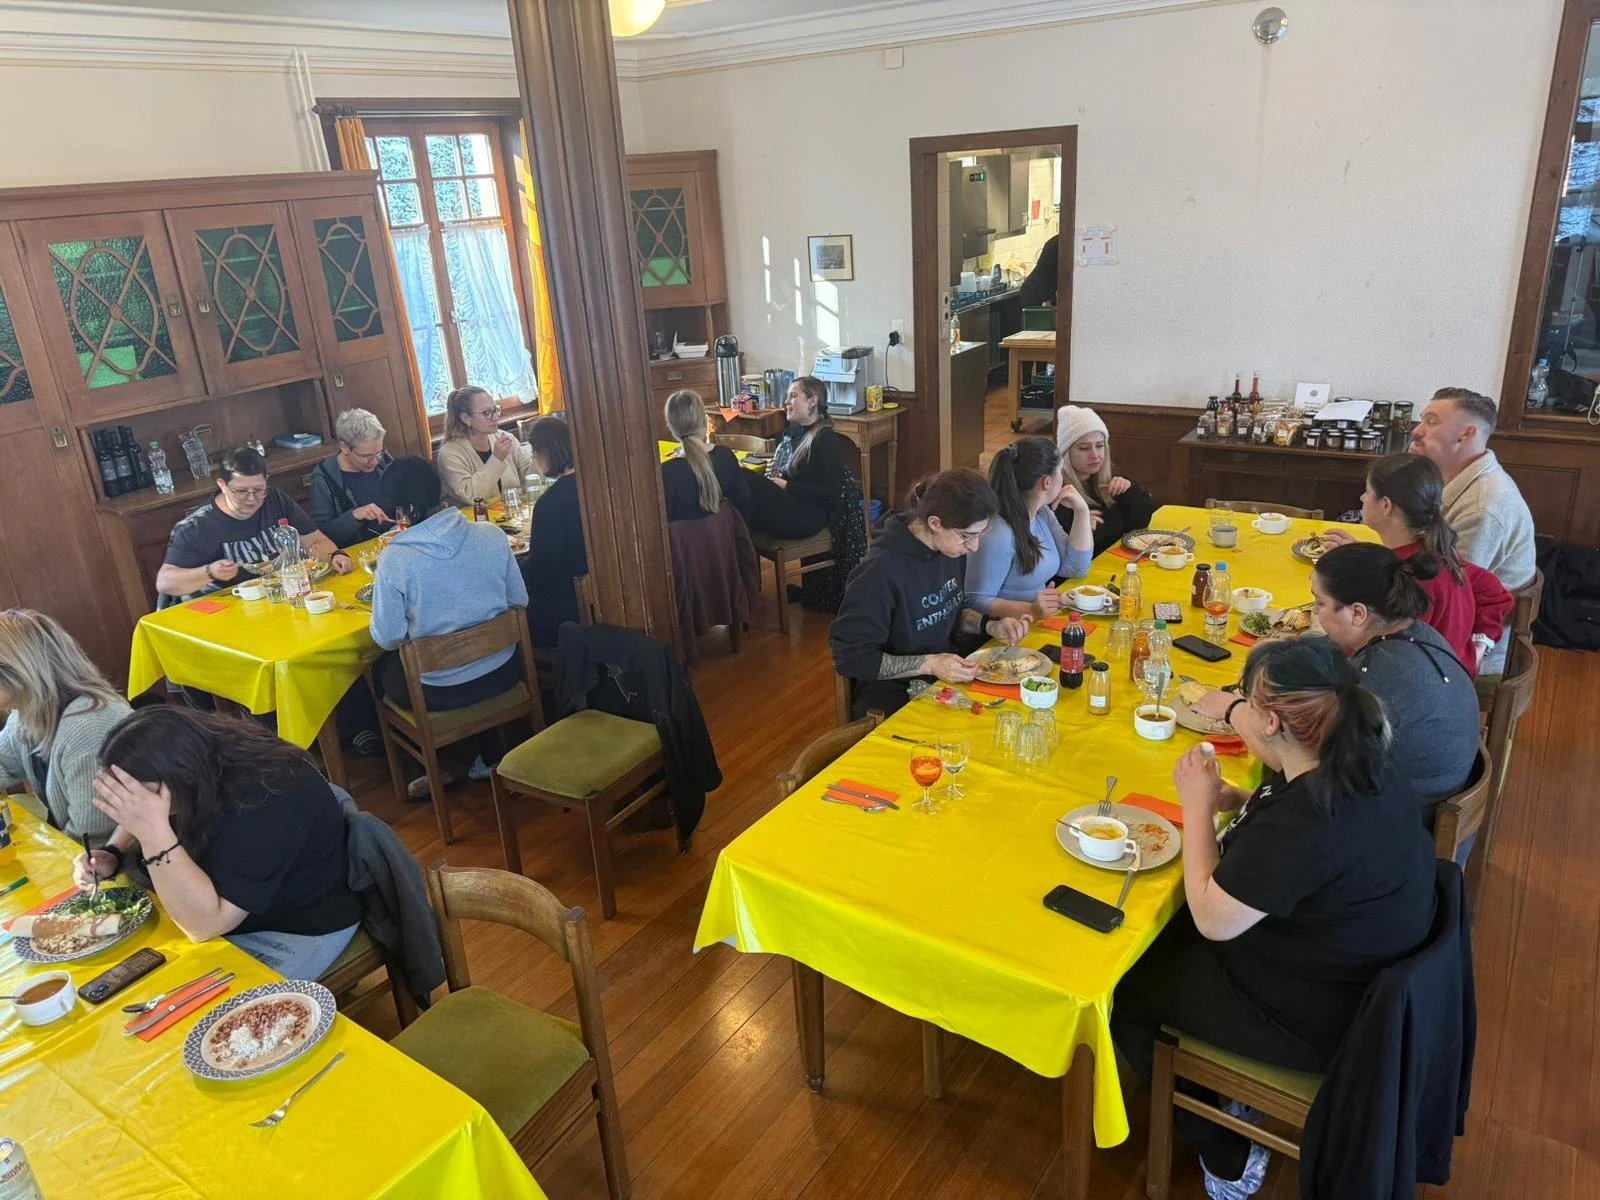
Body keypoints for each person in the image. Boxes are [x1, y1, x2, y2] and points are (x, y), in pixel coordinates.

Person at [1112, 637, 1436, 1200]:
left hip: (1317, 1017)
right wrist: (1236, 800)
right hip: (1348, 969)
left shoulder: (1309, 822)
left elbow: (1213, 917)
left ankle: (1225, 1150)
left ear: (1269, 723)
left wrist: (1193, 803)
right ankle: (1217, 1092)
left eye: (1246, 701)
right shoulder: (1353, 762)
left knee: (1123, 980)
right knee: (1158, 935)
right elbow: (1288, 840)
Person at [74, 707, 363, 979]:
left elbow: (204, 925)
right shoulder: (202, 757)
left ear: (178, 775)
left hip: (295, 927)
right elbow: (137, 811)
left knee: (186, 1012)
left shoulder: (268, 797)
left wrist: (152, 833)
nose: (131, 808)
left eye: (136, 798)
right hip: (228, 911)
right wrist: (113, 851)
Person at [374, 456, 529, 796]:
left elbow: (387, 637)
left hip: (443, 692)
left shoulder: (395, 558)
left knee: (382, 671)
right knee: (463, 655)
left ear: (401, 512)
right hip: (504, 670)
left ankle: (434, 767)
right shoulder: (490, 534)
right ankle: (488, 755)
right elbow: (520, 601)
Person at [830, 469, 1030, 720]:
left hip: (946, 672)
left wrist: (989, 626)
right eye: (967, 536)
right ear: (934, 523)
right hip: (895, 691)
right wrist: (930, 664)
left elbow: (947, 611)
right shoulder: (879, 572)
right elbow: (851, 658)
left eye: (981, 533)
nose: (974, 547)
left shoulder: (950, 550)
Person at [1315, 453, 1512, 674]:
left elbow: (1373, 651)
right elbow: (1496, 593)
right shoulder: (1437, 551)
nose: (1362, 498)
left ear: (1386, 505)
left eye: (1368, 492)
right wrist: (1476, 650)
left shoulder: (1400, 579)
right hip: (1449, 674)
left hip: (1416, 687)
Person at [1410, 387, 1535, 672]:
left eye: (1431, 422)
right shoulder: (1452, 476)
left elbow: (1448, 597)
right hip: (1444, 615)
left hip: (1470, 646)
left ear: (1465, 434)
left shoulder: (1483, 507)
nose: (1417, 430)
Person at [157, 446, 352, 605]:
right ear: (222, 485)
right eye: (241, 491)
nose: (252, 499)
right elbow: (165, 582)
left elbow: (314, 540)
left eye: (259, 490)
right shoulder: (198, 525)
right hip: (230, 611)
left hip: (279, 599)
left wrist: (335, 555)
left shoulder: (275, 499)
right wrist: (209, 572)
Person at [0, 609, 130, 842]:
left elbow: (92, 842)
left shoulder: (90, 726)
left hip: (124, 871)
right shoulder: (27, 713)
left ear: (19, 669)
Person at [745, 375, 866, 611]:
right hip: (797, 507)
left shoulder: (825, 437)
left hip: (811, 516)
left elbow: (832, 492)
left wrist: (786, 486)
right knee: (745, 492)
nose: (786, 402)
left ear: (812, 401)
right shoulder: (795, 434)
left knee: (744, 477)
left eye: (793, 396)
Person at [966, 436, 1093, 620]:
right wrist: (1031, 609)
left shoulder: (1042, 513)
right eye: (1060, 471)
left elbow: (1075, 568)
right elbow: (975, 599)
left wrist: (1082, 511)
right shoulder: (999, 532)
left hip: (1034, 622)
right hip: (1005, 633)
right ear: (1047, 482)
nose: (1064, 479)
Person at [519, 416, 588, 648]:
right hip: (602, 592)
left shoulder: (550, 503)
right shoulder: (594, 483)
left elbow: (542, 570)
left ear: (546, 454)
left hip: (568, 606)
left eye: (535, 453)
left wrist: (512, 569)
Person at [1053, 405, 1157, 555]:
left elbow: (1139, 523)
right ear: (1066, 453)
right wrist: (1079, 527)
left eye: (1100, 446)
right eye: (1084, 448)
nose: (1095, 455)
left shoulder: (1109, 478)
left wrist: (1130, 490)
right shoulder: (1057, 492)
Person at [435, 385, 536, 508]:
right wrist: (497, 459)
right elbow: (472, 496)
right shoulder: (449, 454)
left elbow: (531, 476)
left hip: (512, 518)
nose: (495, 417)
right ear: (466, 418)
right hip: (474, 524)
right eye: (487, 413)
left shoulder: (504, 438)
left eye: (495, 410)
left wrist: (539, 453)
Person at [661, 389, 750, 524]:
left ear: (670, 426)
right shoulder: (725, 457)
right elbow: (745, 509)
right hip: (725, 542)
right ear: (705, 420)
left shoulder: (666, 472)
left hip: (684, 545)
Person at [308, 407, 393, 548]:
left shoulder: (384, 461)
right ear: (345, 448)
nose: (375, 461)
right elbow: (321, 537)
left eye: (379, 452)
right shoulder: (324, 480)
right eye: (366, 456)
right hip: (359, 555)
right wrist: (354, 515)